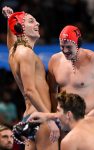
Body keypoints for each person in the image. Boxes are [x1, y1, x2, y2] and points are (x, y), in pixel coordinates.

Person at [2, 6, 59, 150]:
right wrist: (48, 118)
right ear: (20, 28)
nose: (37, 24)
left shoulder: (14, 52)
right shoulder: (26, 53)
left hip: (29, 117)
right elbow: (29, 90)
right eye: (31, 21)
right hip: (40, 117)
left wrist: (10, 20)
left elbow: (11, 43)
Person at [47, 25, 94, 118]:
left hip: (88, 119)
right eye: (62, 46)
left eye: (69, 47)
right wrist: (56, 116)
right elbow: (52, 91)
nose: (65, 50)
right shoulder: (55, 60)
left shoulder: (93, 59)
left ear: (78, 44)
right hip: (64, 120)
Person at [28, 91, 94, 150]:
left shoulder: (69, 140)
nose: (56, 114)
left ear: (68, 114)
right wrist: (47, 116)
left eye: (58, 110)